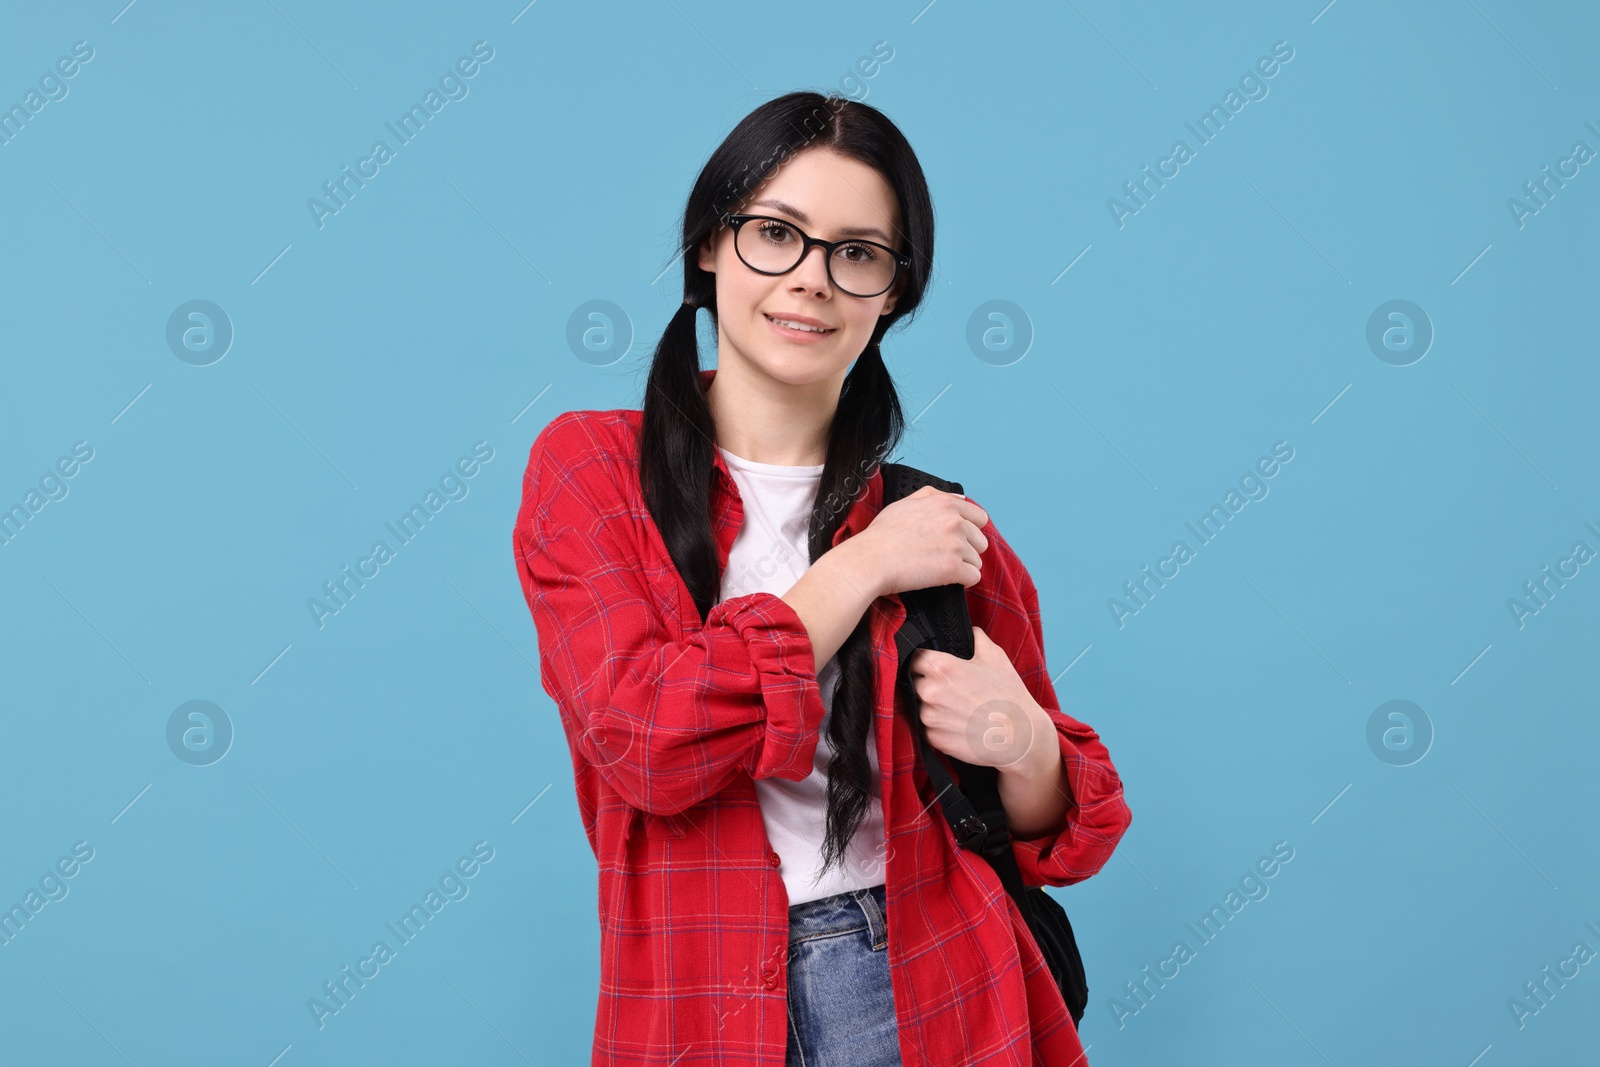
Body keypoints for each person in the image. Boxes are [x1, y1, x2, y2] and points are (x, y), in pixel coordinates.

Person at [512, 90, 1132, 1067]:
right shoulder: (592, 469)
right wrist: (863, 565)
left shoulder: (937, 522)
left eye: (856, 252)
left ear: (893, 292)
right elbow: (648, 738)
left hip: (941, 986)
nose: (811, 279)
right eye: (775, 233)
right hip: (697, 998)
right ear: (709, 247)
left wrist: (1024, 743)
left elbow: (1066, 832)